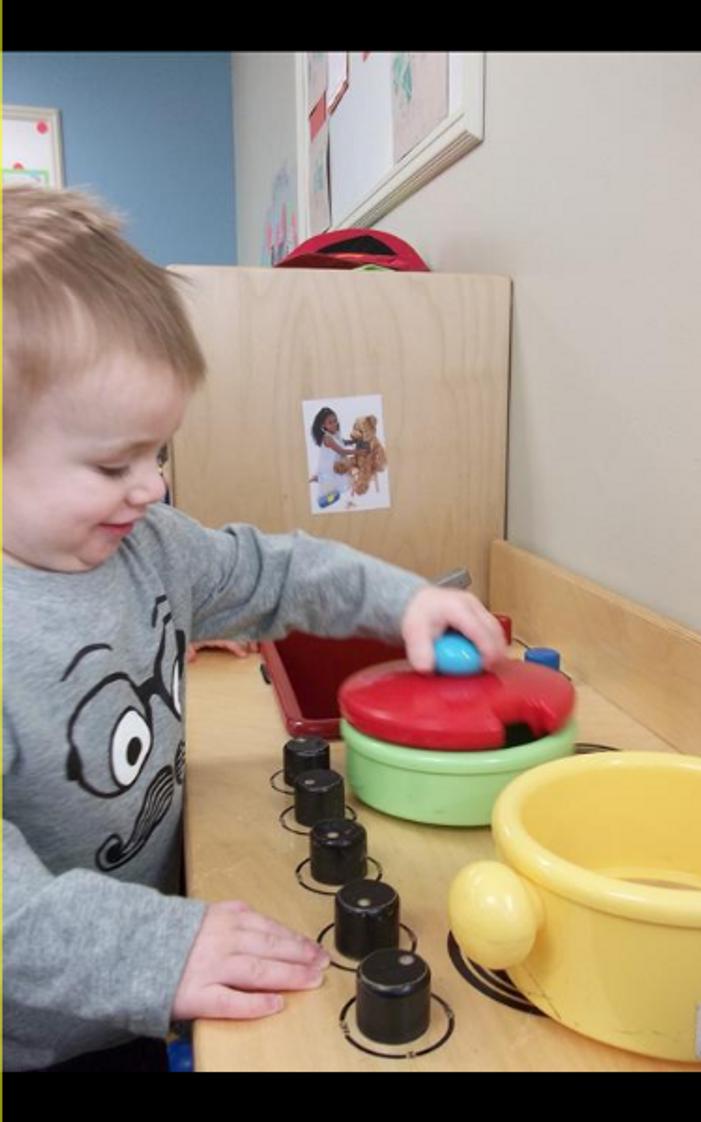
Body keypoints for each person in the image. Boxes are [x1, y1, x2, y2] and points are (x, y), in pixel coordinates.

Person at [2, 185, 507, 1072]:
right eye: (113, 462)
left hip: (154, 985)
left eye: (157, 452)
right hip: (38, 1037)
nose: (152, 486)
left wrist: (405, 602)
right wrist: (154, 952)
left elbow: (274, 572)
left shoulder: (148, 545)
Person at [309, 407, 354, 506]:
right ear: (323, 425)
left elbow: (342, 442)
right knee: (335, 489)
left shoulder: (335, 433)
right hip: (329, 467)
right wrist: (358, 451)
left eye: (335, 421)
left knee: (342, 481)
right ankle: (320, 484)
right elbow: (342, 451)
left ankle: (318, 478)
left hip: (334, 464)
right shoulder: (327, 438)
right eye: (330, 422)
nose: (334, 424)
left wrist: (353, 441)